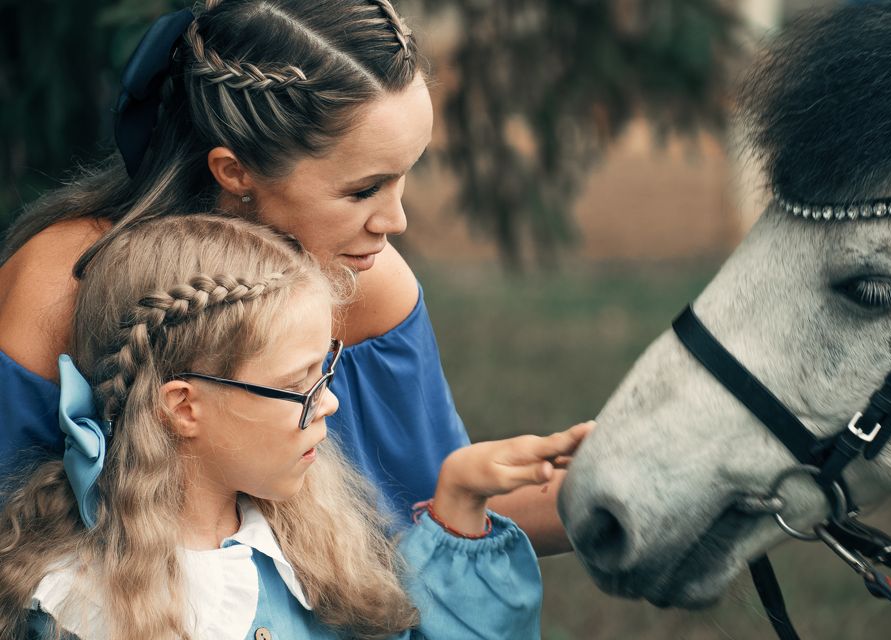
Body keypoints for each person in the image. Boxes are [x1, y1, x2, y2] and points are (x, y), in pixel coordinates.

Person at [0, 0, 570, 552]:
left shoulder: (366, 287)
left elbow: (427, 514)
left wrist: (608, 488)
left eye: (404, 177)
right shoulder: (60, 287)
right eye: (363, 189)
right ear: (234, 171)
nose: (396, 221)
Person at [0, 214, 590, 640]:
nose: (329, 401)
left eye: (325, 373)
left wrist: (460, 500)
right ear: (184, 406)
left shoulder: (307, 549)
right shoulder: (84, 613)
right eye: (298, 386)